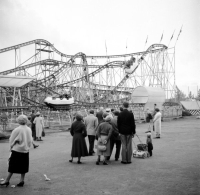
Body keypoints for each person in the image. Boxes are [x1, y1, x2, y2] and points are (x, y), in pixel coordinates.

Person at [0, 115, 32, 187]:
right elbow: (30, 140)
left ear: (18, 121)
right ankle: (22, 180)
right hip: (25, 150)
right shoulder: (28, 129)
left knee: (12, 165)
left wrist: (11, 146)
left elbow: (11, 139)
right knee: (23, 166)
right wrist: (27, 146)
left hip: (17, 150)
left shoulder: (17, 129)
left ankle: (7, 180)